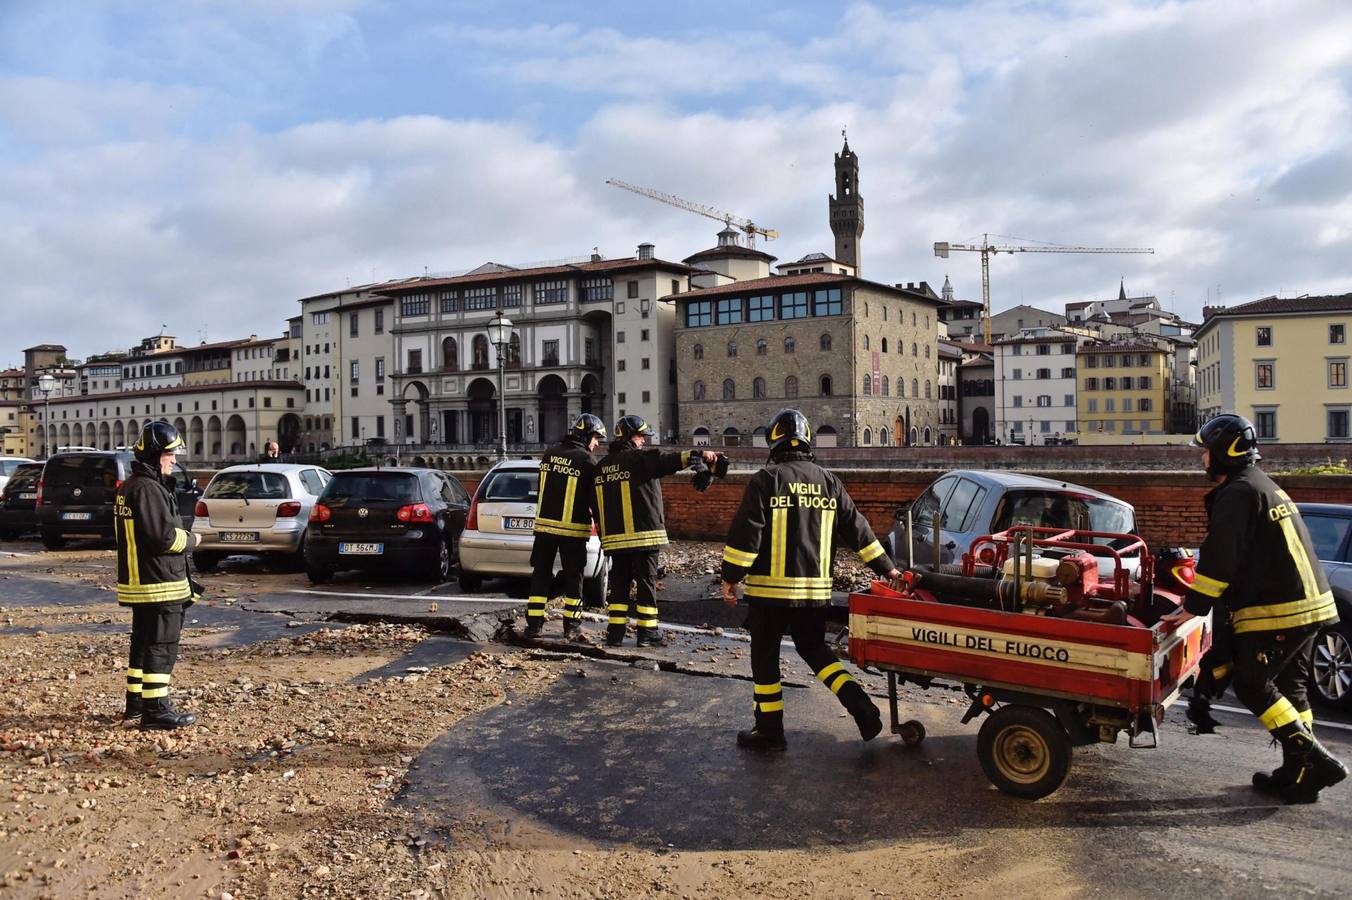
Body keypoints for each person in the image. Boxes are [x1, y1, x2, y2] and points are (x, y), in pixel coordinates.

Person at [1162, 413, 1345, 803]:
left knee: (1251, 683)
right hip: (1311, 606)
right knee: (1292, 688)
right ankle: (1299, 776)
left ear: (1225, 453)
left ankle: (1315, 760)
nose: (1202, 459)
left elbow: (1220, 558)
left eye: (1206, 452)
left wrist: (1193, 607)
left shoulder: (1239, 493)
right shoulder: (1263, 486)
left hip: (1282, 609)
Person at [721, 409, 901, 751]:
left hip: (768, 594)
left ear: (773, 442)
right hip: (814, 592)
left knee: (765, 656)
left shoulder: (766, 479)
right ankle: (862, 707)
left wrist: (730, 577)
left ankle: (770, 731)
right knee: (815, 650)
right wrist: (887, 569)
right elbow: (858, 529)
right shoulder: (828, 481)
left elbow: (747, 536)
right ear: (807, 442)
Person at [595, 415, 718, 647]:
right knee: (645, 583)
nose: (643, 440)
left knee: (619, 584)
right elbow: (668, 460)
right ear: (632, 436)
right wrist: (698, 455)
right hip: (644, 536)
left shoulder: (602, 466)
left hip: (616, 540)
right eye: (641, 436)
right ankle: (647, 632)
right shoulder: (640, 458)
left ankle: (615, 633)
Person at [116, 421, 202, 730]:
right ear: (155, 455)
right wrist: (192, 540)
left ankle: (136, 705)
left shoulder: (130, 488)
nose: (175, 460)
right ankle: (156, 710)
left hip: (142, 582)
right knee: (161, 645)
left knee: (142, 644)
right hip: (159, 583)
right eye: (170, 454)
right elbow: (162, 539)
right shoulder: (148, 490)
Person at [525, 414, 607, 640]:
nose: (597, 443)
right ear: (586, 436)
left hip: (544, 529)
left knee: (540, 575)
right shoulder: (587, 461)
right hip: (572, 531)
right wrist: (602, 525)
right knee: (575, 578)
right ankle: (571, 626)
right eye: (596, 438)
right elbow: (595, 499)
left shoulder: (550, 454)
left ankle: (534, 626)